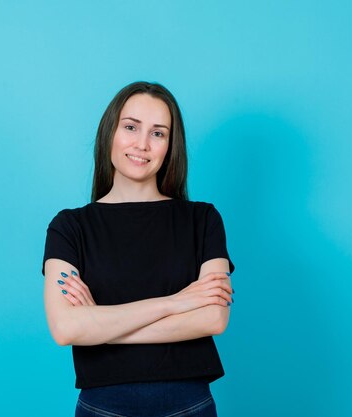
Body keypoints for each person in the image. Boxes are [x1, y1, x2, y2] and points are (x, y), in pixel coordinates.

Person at [41, 81, 235, 417]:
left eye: (158, 133)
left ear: (171, 145)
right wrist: (176, 302)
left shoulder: (202, 219)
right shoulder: (69, 227)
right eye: (131, 127)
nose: (142, 144)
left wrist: (101, 329)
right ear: (110, 133)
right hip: (102, 407)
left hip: (189, 405)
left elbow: (213, 318)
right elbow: (66, 329)